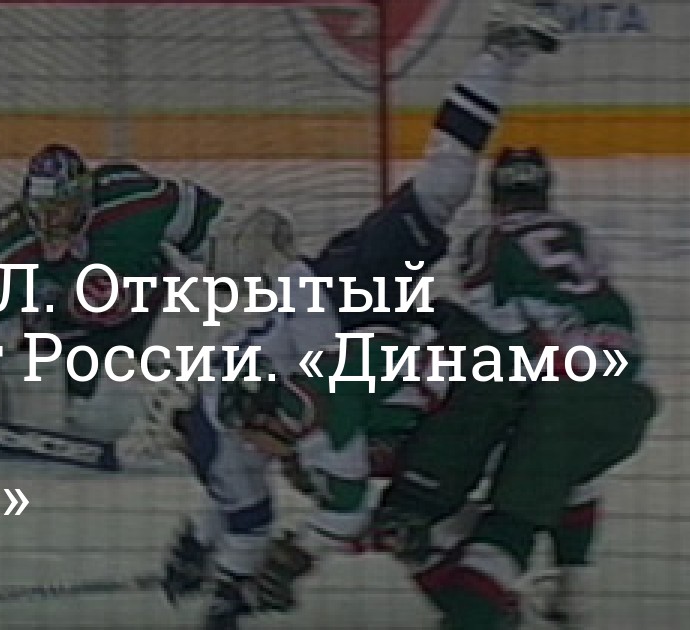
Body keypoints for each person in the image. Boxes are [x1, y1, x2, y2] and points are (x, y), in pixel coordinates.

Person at [157, 2, 565, 628]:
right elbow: (247, 500)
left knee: (442, 192)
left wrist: (239, 583)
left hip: (341, 300)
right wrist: (217, 557)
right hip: (364, 335)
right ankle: (494, 568)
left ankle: (500, 53)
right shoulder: (234, 413)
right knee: (423, 489)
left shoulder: (237, 423)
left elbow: (255, 510)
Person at [374, 147, 658, 630]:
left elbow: (496, 334)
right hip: (628, 386)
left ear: (494, 196)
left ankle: (476, 614)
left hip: (558, 384)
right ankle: (571, 588)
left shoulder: (488, 241)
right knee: (569, 463)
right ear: (545, 191)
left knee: (510, 517)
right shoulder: (581, 235)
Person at [0, 143, 224, 464]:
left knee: (195, 300)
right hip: (70, 342)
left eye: (61, 209)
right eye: (43, 210)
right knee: (55, 414)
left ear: (85, 199)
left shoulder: (134, 203)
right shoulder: (11, 250)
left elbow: (218, 229)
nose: (52, 222)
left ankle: (178, 411)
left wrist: (241, 271)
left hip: (149, 317)